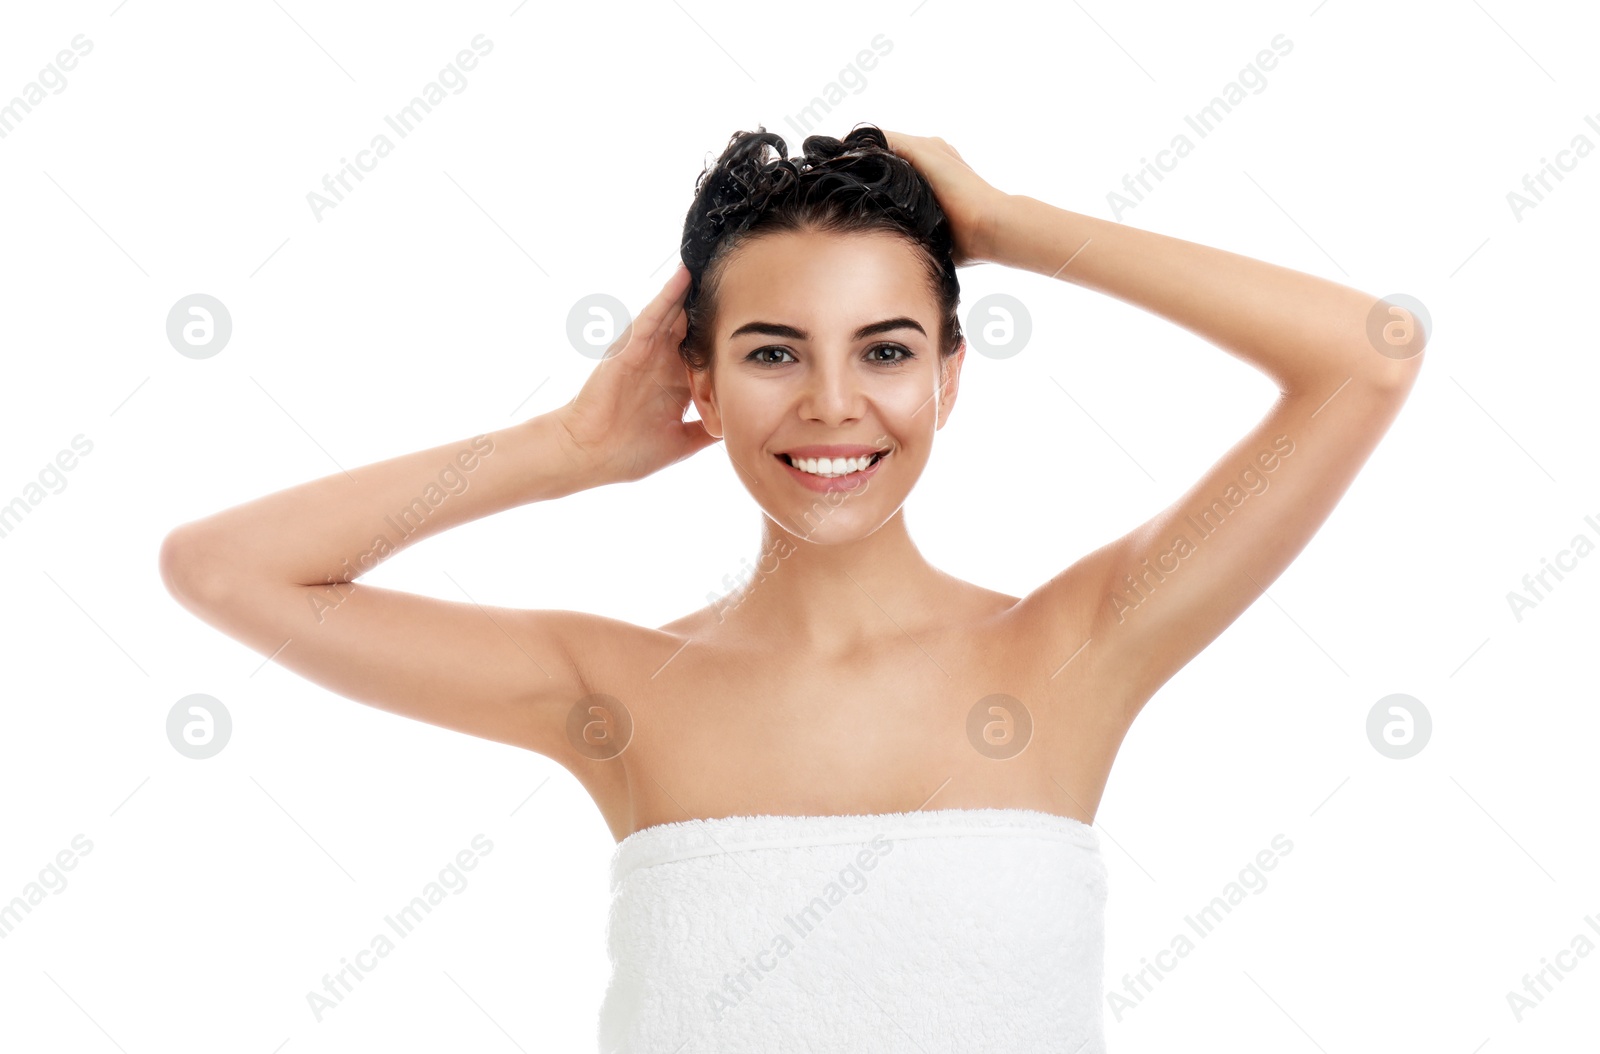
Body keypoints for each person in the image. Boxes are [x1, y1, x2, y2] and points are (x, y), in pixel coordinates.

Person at [159, 123, 1424, 1052]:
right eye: (772, 352)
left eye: (886, 348)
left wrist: (1002, 224)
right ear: (694, 380)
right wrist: (570, 448)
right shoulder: (613, 691)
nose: (832, 404)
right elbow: (221, 569)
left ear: (950, 376)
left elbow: (1370, 354)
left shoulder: (1071, 652)